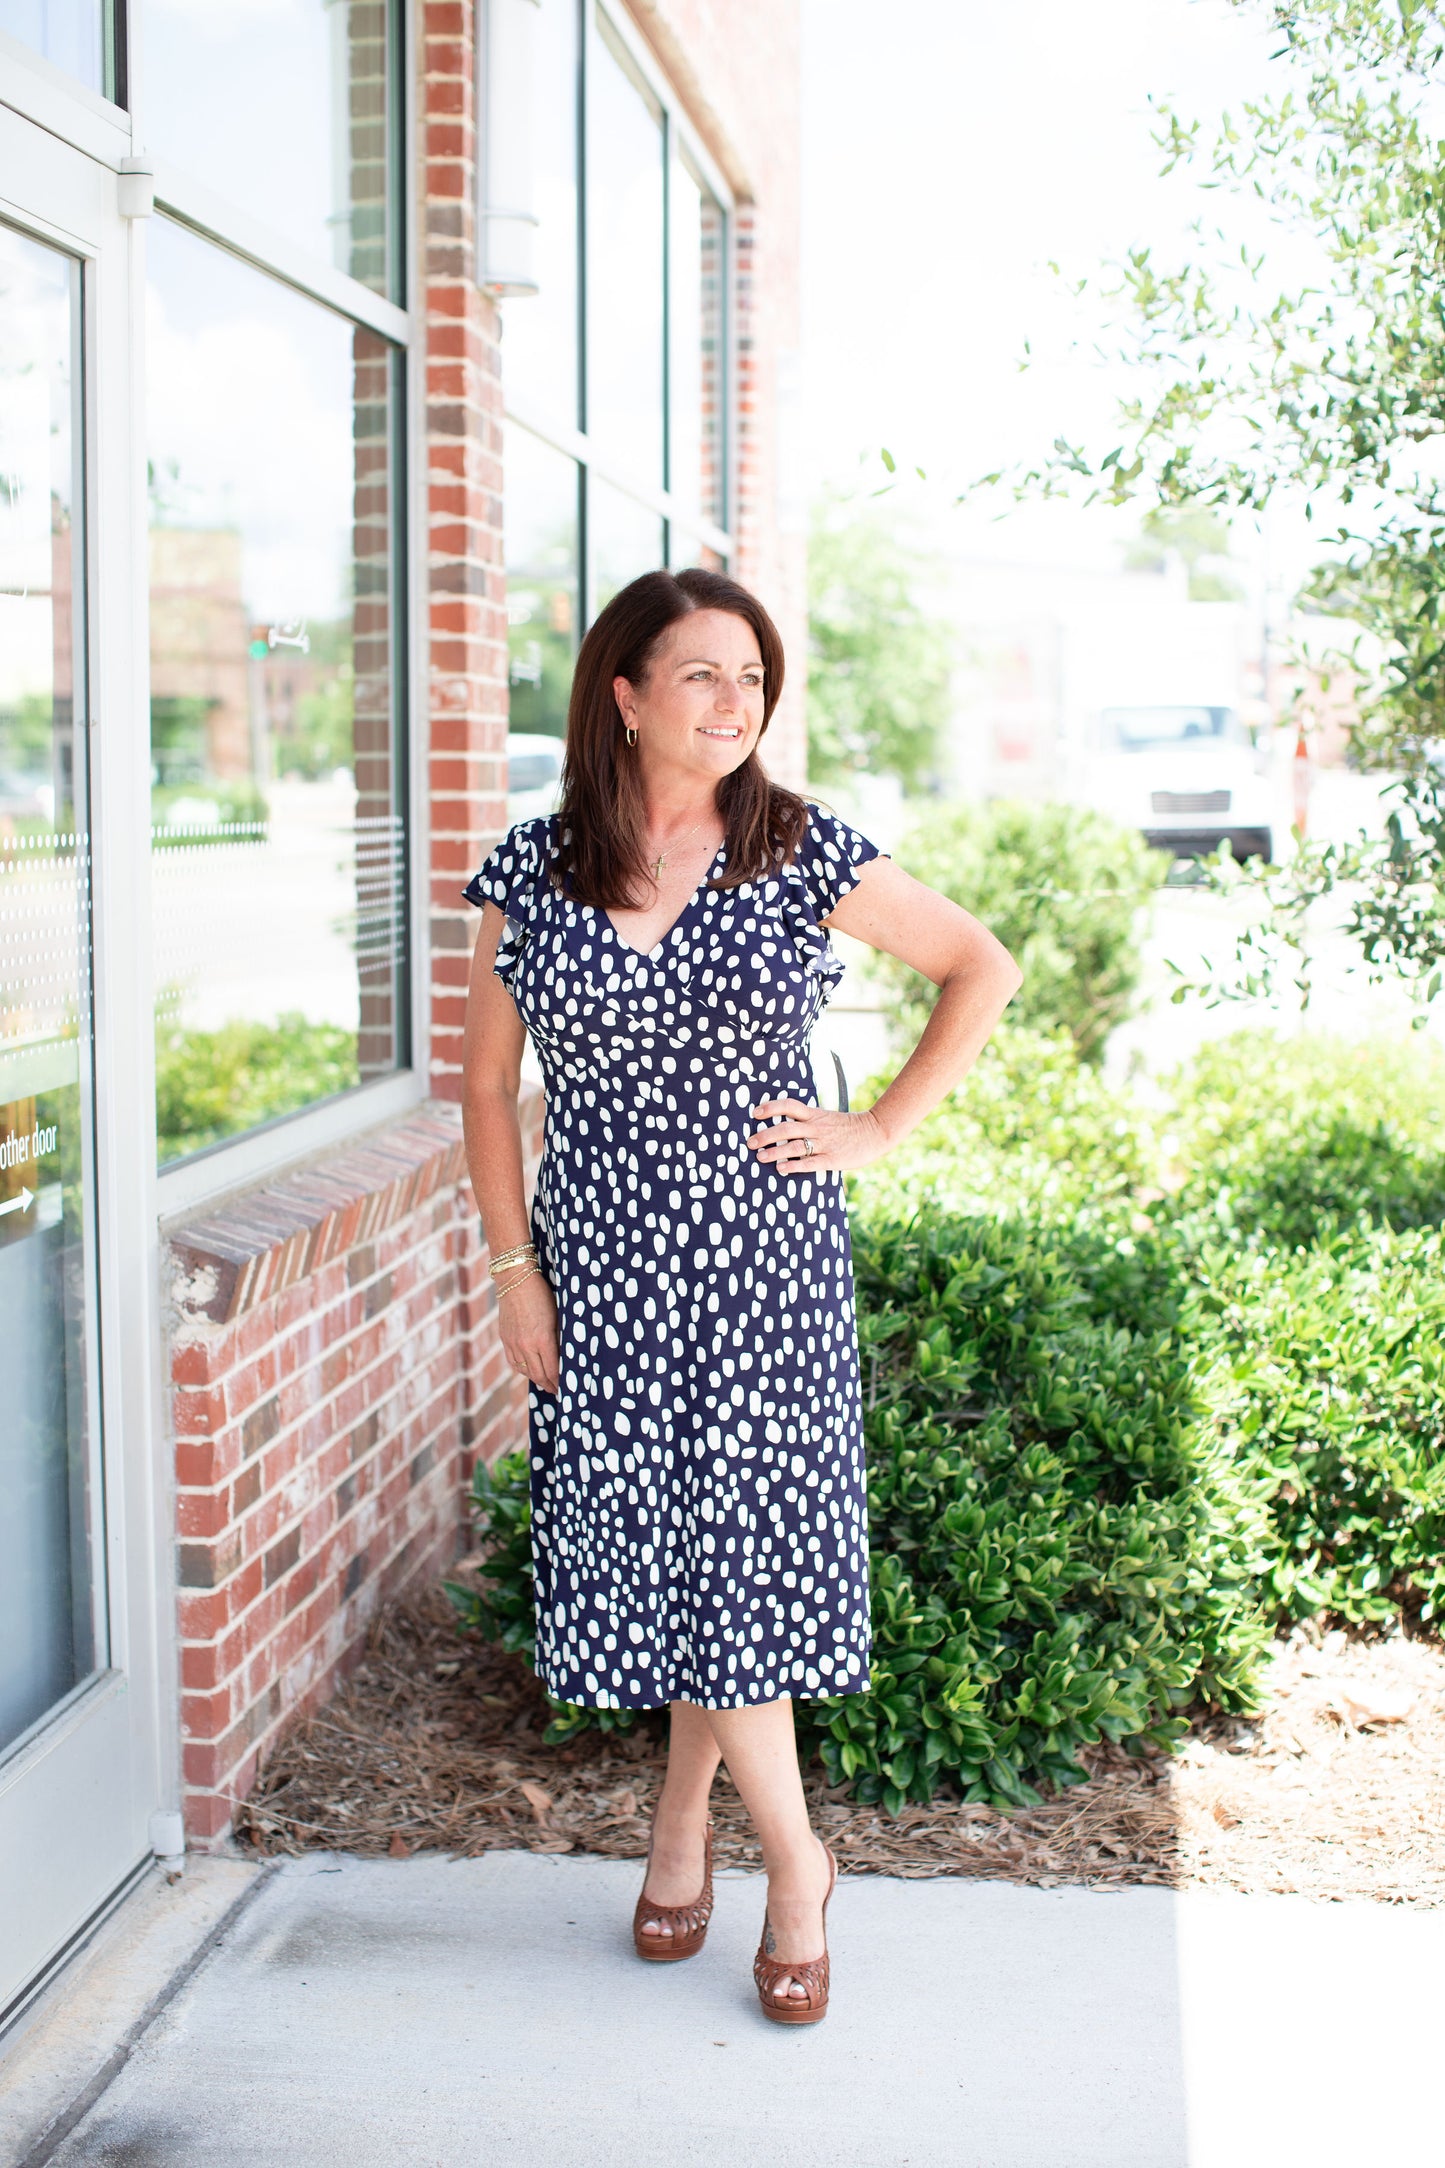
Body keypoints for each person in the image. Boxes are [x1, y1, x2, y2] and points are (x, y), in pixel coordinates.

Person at [461, 567, 1020, 2026]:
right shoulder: (533, 868)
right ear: (626, 693)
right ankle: (676, 1824)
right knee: (666, 1562)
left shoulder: (796, 847)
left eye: (753, 680)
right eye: (701, 674)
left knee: (734, 1571)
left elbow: (978, 964)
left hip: (763, 1275)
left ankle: (794, 1866)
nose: (734, 702)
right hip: (598, 1276)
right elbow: (481, 1088)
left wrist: (877, 1126)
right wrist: (514, 1272)